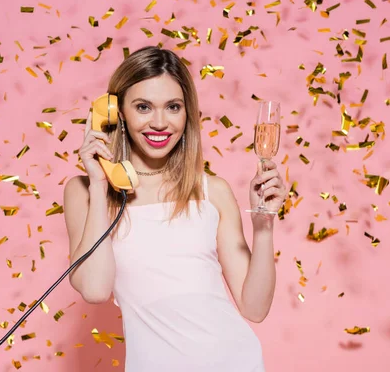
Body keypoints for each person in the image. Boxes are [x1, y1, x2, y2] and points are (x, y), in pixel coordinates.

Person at [63, 45, 287, 372]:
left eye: (172, 107)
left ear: (187, 113)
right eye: (143, 107)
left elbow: (254, 308)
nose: (159, 122)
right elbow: (96, 289)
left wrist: (264, 224)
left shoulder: (213, 190)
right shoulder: (83, 191)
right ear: (116, 111)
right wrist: (100, 183)